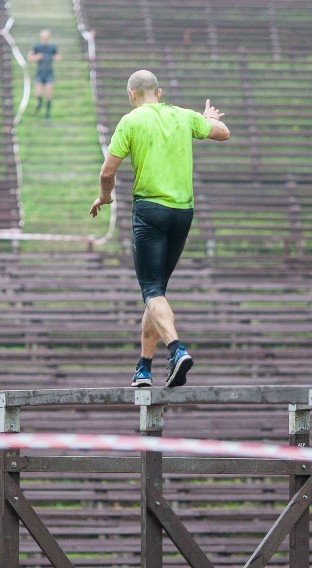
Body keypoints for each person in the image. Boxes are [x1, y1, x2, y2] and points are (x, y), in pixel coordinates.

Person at [90, 70, 230, 388]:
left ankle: (177, 349)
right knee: (157, 294)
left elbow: (107, 171)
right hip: (183, 213)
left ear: (131, 95)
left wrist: (105, 197)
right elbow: (223, 132)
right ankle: (143, 368)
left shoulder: (131, 120)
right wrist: (205, 118)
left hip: (150, 211)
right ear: (160, 92)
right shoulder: (183, 116)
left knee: (151, 291)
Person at [27, 29, 62, 119]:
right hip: (40, 72)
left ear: (49, 38)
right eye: (43, 38)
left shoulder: (52, 48)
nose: (45, 39)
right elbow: (29, 57)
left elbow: (59, 57)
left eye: (46, 38)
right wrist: (36, 57)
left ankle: (47, 113)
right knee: (37, 93)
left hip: (49, 73)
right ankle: (39, 103)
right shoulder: (37, 47)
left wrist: (55, 57)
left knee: (48, 94)